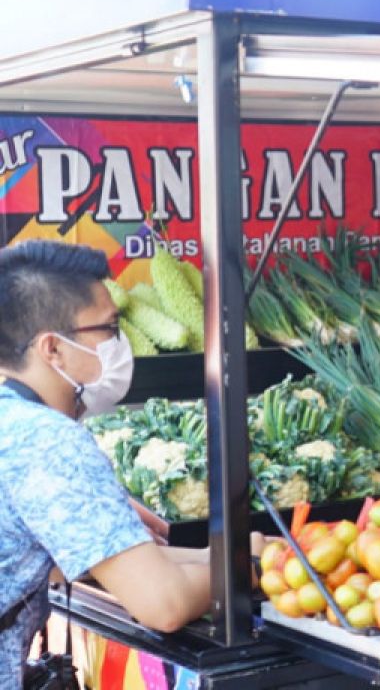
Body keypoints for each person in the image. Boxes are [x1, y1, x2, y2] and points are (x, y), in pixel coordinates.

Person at [0, 240, 228, 686]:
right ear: (53, 349)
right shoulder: (48, 442)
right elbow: (164, 605)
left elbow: (64, 559)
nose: (120, 343)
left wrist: (208, 556)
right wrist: (250, 565)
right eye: (109, 328)